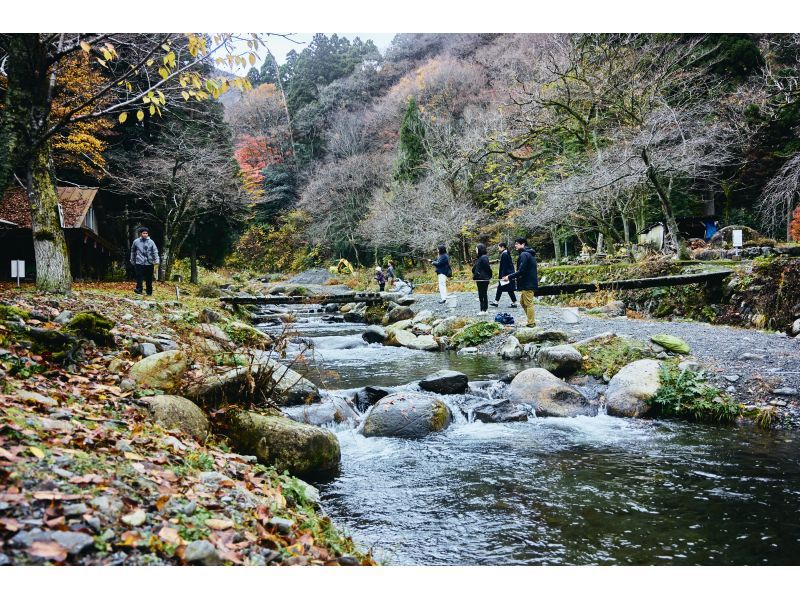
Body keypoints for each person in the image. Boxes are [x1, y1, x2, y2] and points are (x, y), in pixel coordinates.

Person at [501, 237, 538, 327]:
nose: (515, 245)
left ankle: (531, 323)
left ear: (523, 244)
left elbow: (521, 271)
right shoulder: (528, 254)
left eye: (517, 243)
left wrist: (509, 277)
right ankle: (530, 320)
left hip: (528, 283)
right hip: (528, 282)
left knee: (528, 303)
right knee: (522, 302)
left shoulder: (524, 255)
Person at [130, 227, 159, 296]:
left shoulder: (151, 242)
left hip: (149, 263)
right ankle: (139, 290)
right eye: (144, 233)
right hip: (139, 262)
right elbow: (133, 251)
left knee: (149, 278)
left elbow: (155, 251)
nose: (145, 234)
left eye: (146, 233)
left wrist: (156, 260)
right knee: (139, 277)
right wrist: (132, 259)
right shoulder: (136, 241)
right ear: (140, 234)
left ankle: (149, 292)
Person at [491, 241, 519, 308]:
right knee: (503, 288)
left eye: (499, 247)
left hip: (506, 274)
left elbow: (504, 265)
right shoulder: (506, 253)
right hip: (508, 273)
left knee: (505, 288)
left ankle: (497, 302)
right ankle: (497, 302)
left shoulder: (505, 254)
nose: (498, 249)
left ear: (502, 247)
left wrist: (503, 275)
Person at [471, 243, 492, 315]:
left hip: (483, 279)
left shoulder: (484, 257)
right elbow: (476, 267)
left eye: (476, 249)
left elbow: (488, 268)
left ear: (480, 249)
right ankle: (483, 309)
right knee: (481, 294)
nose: (476, 250)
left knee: (483, 294)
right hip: (479, 278)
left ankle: (484, 310)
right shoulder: (480, 257)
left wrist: (488, 276)